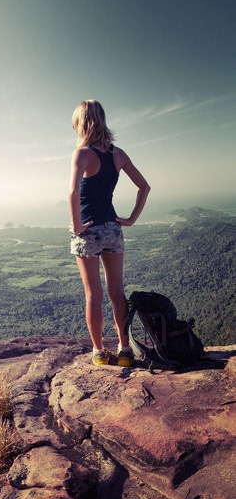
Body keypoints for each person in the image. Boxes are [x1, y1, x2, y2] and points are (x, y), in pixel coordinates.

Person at [69, 100, 150, 366]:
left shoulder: (82, 153)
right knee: (117, 292)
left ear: (81, 122)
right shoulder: (118, 154)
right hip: (113, 228)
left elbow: (72, 193)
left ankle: (100, 352)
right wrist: (130, 220)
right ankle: (125, 350)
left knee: (94, 293)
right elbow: (144, 187)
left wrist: (77, 225)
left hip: (90, 231)